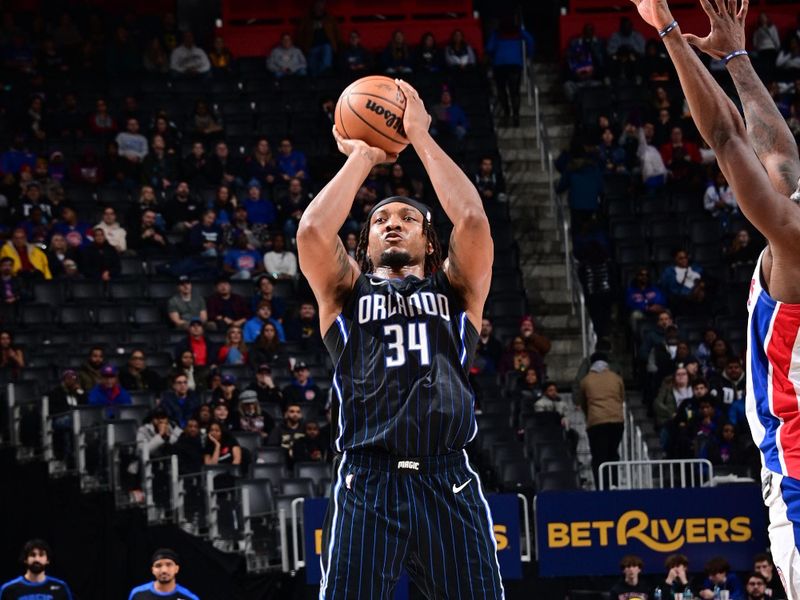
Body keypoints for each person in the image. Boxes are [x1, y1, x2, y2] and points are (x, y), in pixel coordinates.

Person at [299, 78, 502, 597]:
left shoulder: (456, 291)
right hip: (368, 477)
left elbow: (474, 220)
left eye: (408, 218)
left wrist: (420, 136)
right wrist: (364, 157)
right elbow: (312, 235)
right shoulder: (345, 293)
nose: (393, 223)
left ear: (429, 244)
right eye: (380, 220)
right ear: (364, 246)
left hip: (447, 477)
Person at [579, 351, 625, 489]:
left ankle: (601, 486)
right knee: (613, 453)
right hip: (616, 421)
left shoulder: (586, 380)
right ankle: (614, 483)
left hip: (597, 422)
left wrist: (590, 415)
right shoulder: (616, 378)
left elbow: (583, 402)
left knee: (599, 456)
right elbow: (622, 397)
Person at [486, 15, 534, 126]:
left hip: (499, 65)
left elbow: (489, 48)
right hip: (515, 64)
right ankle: (516, 115)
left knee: (502, 91)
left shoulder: (497, 33)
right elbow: (530, 40)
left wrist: (494, 56)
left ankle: (507, 113)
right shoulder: (518, 31)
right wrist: (528, 54)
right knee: (515, 92)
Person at [0, 539, 74, 600]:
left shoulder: (60, 587)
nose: (37, 559)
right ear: (25, 559)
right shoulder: (9, 589)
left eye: (41, 555)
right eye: (32, 555)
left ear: (47, 560)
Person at [128, 548, 199, 600]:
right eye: (158, 565)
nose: (164, 570)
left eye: (169, 565)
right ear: (152, 570)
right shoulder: (138, 594)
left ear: (176, 568)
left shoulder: (189, 597)